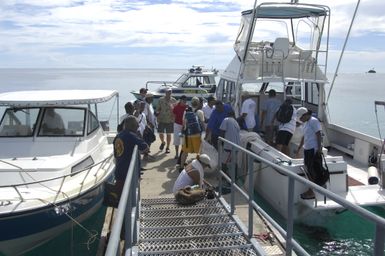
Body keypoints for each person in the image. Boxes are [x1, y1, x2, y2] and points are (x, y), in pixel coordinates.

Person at [113, 116, 149, 196]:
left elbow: (116, 154)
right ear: (133, 126)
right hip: (128, 173)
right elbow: (146, 147)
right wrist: (139, 137)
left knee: (121, 198)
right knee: (130, 197)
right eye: (137, 125)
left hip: (119, 172)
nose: (138, 126)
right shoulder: (131, 136)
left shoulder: (118, 136)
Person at [295, 107, 322, 200]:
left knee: (312, 171)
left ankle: (312, 191)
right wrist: (299, 147)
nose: (300, 120)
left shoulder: (314, 121)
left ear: (305, 115)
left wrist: (319, 148)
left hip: (312, 149)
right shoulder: (306, 123)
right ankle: (311, 189)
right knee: (308, 170)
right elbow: (304, 136)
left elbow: (319, 134)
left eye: (301, 118)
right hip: (307, 149)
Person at [179, 101, 204, 171]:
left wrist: (181, 134)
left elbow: (183, 127)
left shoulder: (185, 116)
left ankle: (181, 167)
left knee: (185, 151)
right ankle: (197, 167)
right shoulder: (195, 115)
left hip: (187, 137)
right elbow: (201, 125)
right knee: (198, 152)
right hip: (196, 136)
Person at [156, 88, 177, 154]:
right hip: (161, 119)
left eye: (170, 92)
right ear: (165, 92)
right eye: (168, 92)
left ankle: (167, 147)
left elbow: (175, 110)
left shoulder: (174, 100)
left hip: (170, 120)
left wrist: (175, 118)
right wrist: (157, 114)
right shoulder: (160, 99)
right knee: (160, 133)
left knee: (169, 134)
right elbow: (158, 109)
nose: (169, 93)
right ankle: (163, 142)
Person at [173, 95, 188, 159]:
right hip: (177, 125)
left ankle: (182, 154)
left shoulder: (187, 107)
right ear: (180, 100)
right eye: (183, 100)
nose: (185, 101)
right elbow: (173, 115)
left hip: (185, 125)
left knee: (184, 140)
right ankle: (176, 154)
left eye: (185, 100)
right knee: (177, 139)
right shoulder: (176, 107)